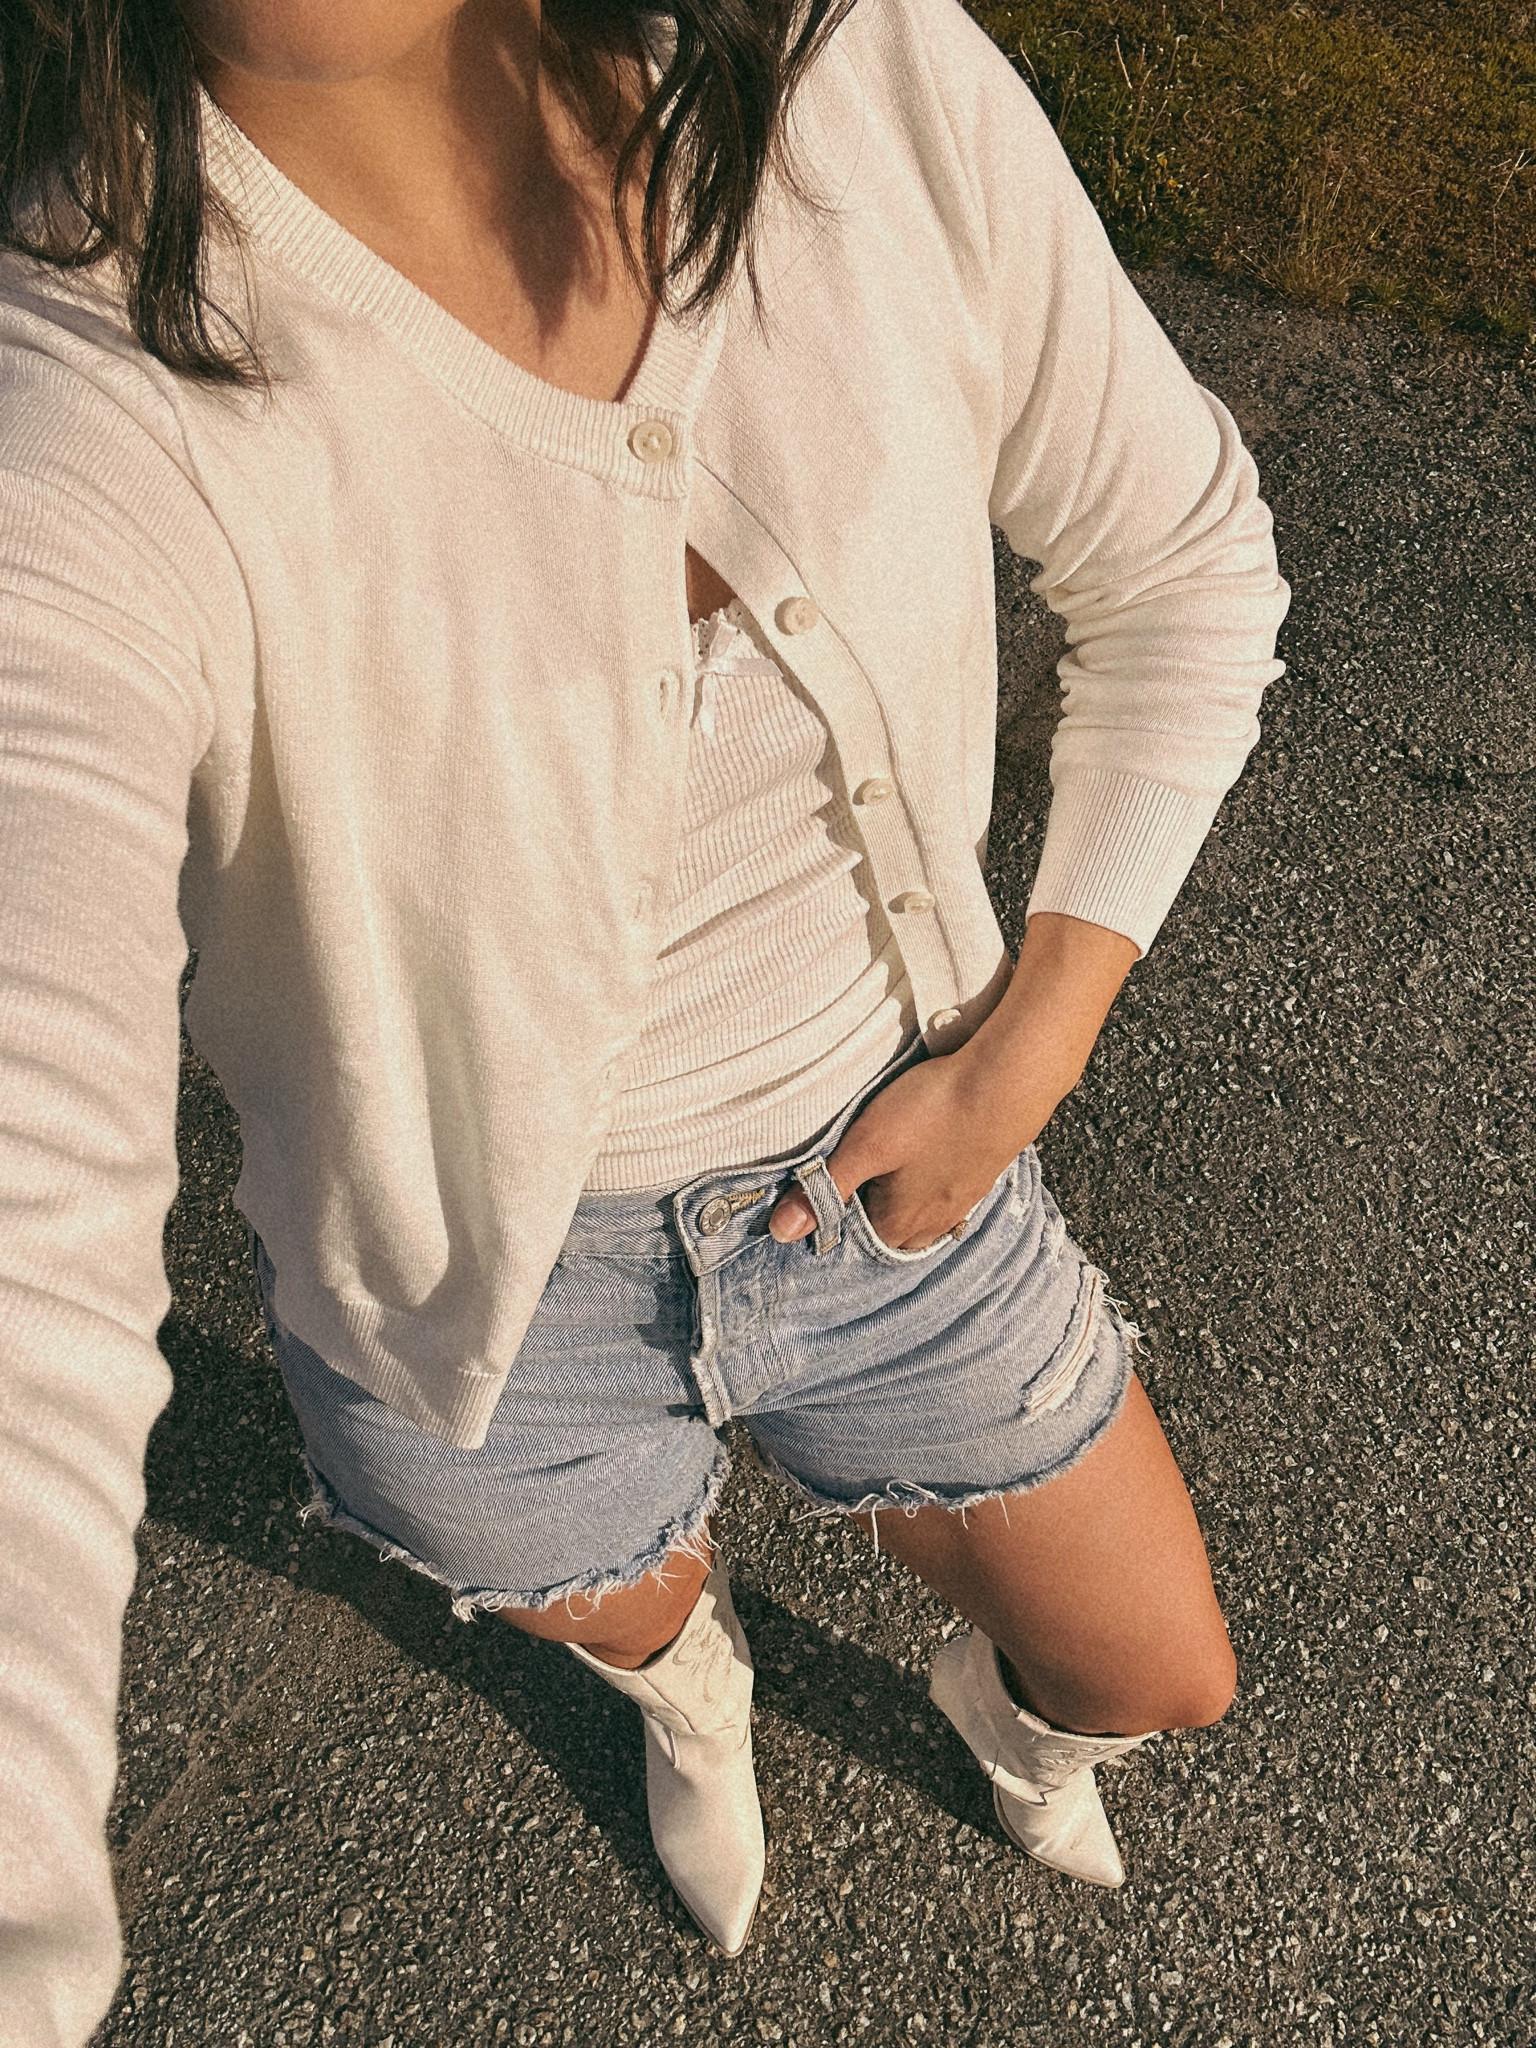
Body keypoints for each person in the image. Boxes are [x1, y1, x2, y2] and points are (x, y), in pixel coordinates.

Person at [0, 0, 1289, 2034]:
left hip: (904, 1176)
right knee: (622, 1605)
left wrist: (1032, 1043)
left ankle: (1015, 1732)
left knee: (1154, 1670)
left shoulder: (854, 78)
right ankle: (691, 1689)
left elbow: (1183, 564)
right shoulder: (75, 390)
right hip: (480, 1319)